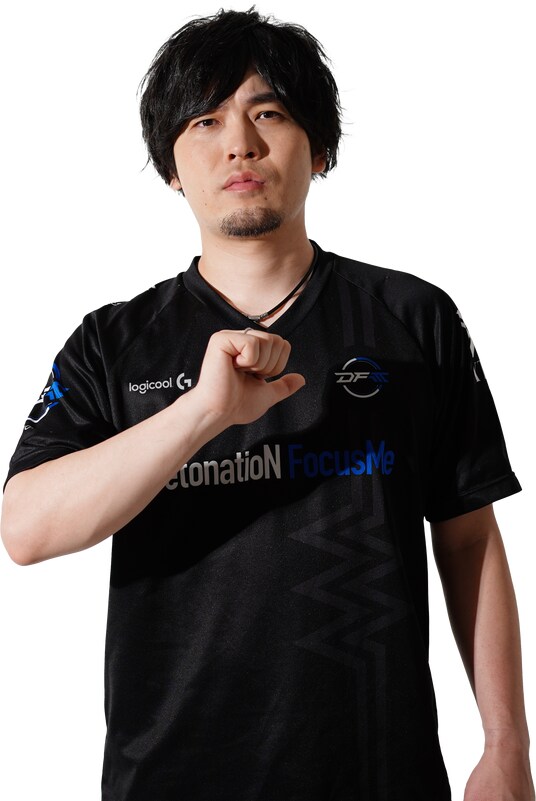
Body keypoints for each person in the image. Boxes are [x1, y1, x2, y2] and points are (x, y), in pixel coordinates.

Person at [1, 7, 533, 800]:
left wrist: (506, 744)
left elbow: (467, 538)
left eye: (269, 113)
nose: (240, 144)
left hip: (378, 772)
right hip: (169, 776)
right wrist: (201, 413)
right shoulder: (113, 343)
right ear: (172, 166)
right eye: (206, 121)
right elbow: (26, 529)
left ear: (319, 150)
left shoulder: (412, 318)